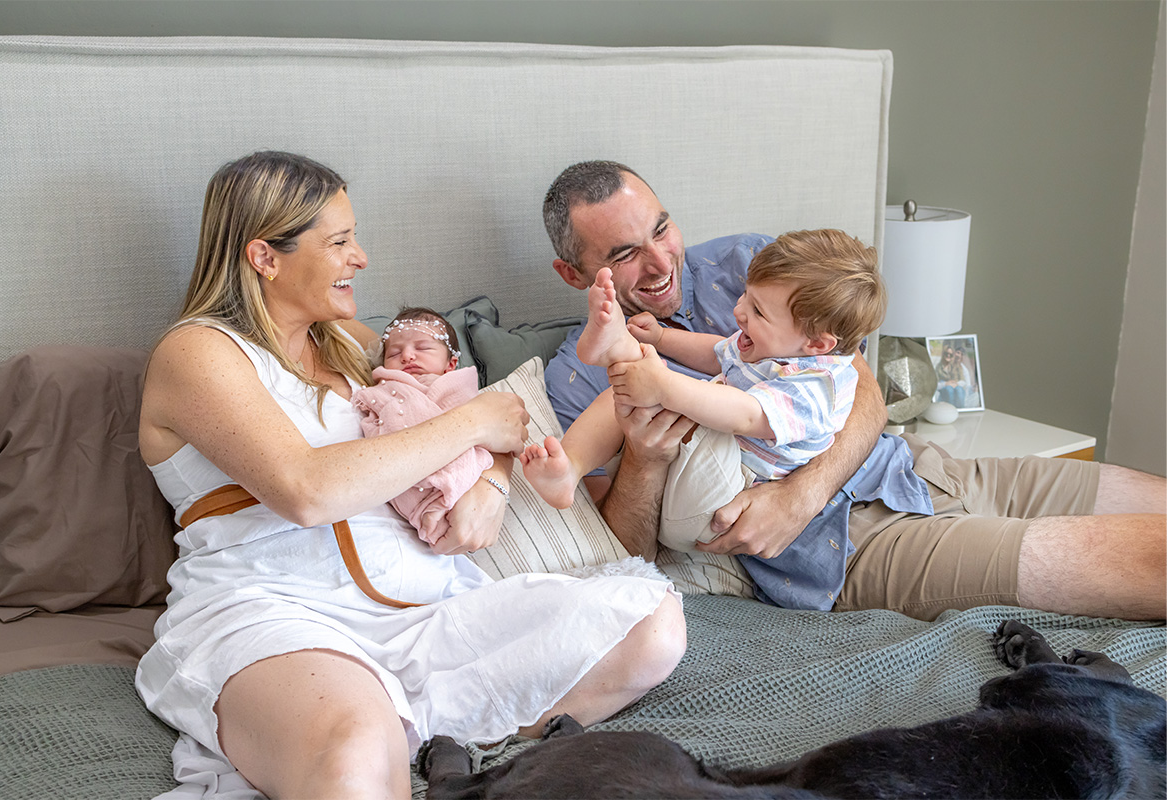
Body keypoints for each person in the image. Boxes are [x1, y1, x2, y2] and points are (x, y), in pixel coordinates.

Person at [135, 151, 685, 800]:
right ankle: (379, 742)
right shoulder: (199, 350)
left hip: (425, 604)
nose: (360, 257)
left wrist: (492, 483)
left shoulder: (353, 347)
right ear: (265, 257)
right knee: (356, 746)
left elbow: (494, 417)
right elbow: (306, 490)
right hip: (276, 609)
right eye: (339, 241)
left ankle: (423, 739)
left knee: (651, 623)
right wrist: (473, 423)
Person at [541, 159, 1166, 621]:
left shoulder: (755, 265)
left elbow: (856, 385)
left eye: (662, 227)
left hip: (908, 467)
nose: (659, 261)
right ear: (573, 274)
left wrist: (802, 493)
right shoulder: (572, 380)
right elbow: (621, 554)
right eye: (625, 253)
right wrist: (646, 460)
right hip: (850, 549)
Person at [522, 230, 885, 607]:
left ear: (818, 345)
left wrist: (664, 384)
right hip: (691, 489)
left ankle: (620, 350)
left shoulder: (816, 387)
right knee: (620, 396)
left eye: (758, 311)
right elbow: (716, 353)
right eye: (745, 294)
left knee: (665, 398)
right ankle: (570, 467)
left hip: (722, 500)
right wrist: (659, 340)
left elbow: (744, 415)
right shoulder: (772, 344)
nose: (739, 311)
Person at [350, 307, 493, 547]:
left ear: (451, 364)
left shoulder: (455, 384)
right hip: (405, 460)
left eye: (423, 348)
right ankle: (432, 506)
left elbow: (475, 421)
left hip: (456, 449)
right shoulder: (388, 386)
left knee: (478, 456)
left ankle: (446, 498)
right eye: (394, 353)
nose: (406, 356)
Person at [934, 342, 969, 407]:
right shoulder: (938, 367)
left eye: (951, 354)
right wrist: (946, 384)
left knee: (959, 390)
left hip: (957, 386)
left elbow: (964, 381)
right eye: (946, 354)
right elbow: (935, 384)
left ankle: (960, 410)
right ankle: (950, 410)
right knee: (949, 389)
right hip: (944, 388)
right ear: (943, 354)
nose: (948, 356)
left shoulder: (957, 366)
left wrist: (956, 384)